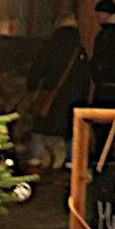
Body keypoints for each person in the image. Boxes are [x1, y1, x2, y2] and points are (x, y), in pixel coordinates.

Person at [25, 13, 88, 174]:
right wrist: (84, 99)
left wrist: (33, 87)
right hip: (73, 98)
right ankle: (71, 162)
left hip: (50, 95)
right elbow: (85, 78)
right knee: (70, 129)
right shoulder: (79, 50)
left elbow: (38, 69)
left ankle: (35, 159)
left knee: (39, 127)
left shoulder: (51, 46)